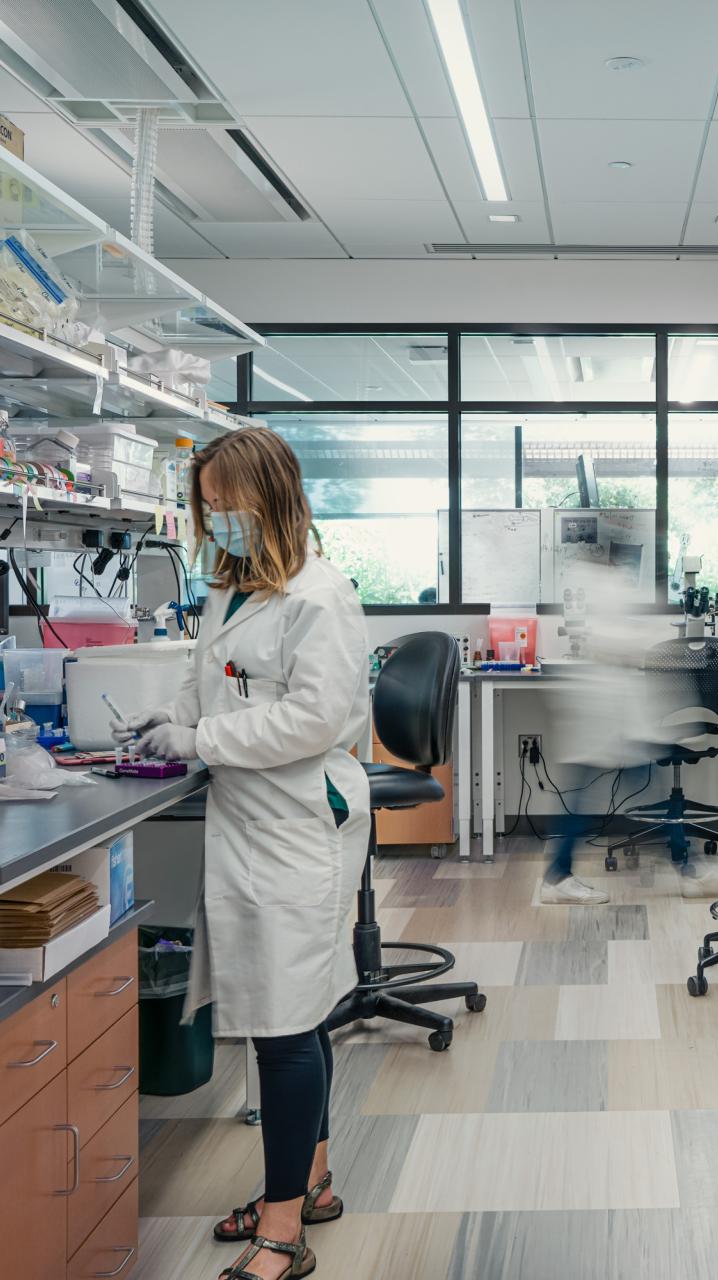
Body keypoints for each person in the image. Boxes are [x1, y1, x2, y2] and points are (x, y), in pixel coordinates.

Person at [111, 428, 370, 1280]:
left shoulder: (318, 595)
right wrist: (169, 723)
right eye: (206, 505)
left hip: (298, 822)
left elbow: (313, 721)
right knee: (293, 1010)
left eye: (227, 503)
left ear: (273, 497)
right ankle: (314, 1182)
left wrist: (202, 737)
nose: (214, 518)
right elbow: (206, 678)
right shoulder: (230, 588)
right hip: (251, 818)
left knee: (285, 1024)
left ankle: (284, 1232)